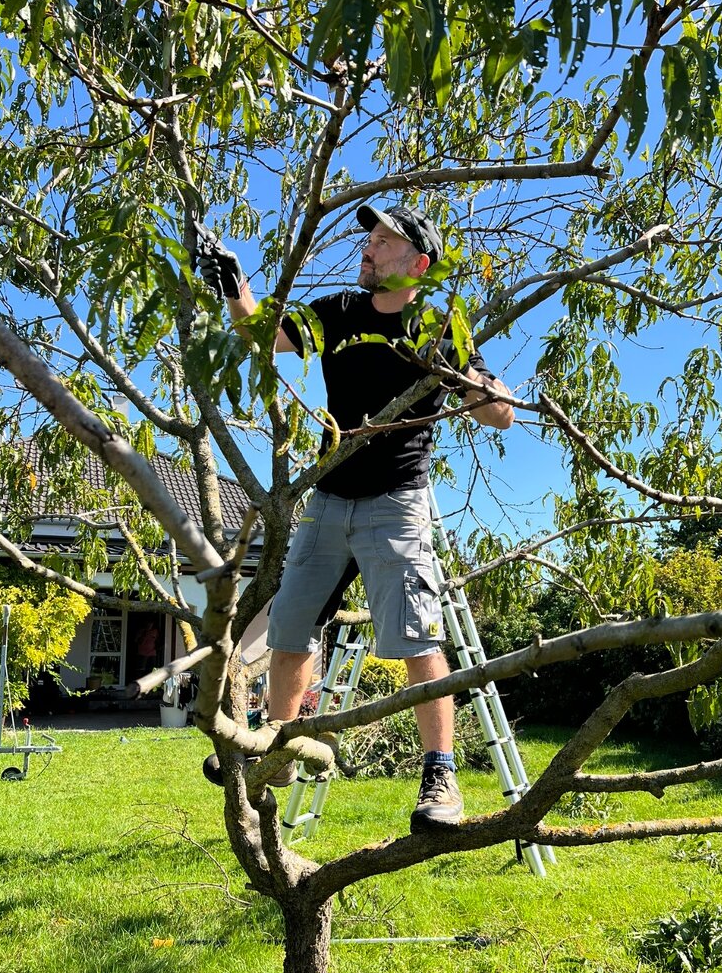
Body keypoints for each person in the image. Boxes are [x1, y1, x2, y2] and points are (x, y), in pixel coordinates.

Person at [197, 204, 514, 829]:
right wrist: (233, 282)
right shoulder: (340, 311)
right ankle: (280, 751)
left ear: (418, 264)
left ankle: (441, 776)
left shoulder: (436, 325)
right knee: (289, 626)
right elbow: (263, 335)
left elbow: (499, 414)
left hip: (395, 501)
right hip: (327, 497)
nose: (368, 247)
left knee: (416, 639)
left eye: (384, 240)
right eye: (370, 237)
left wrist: (464, 376)